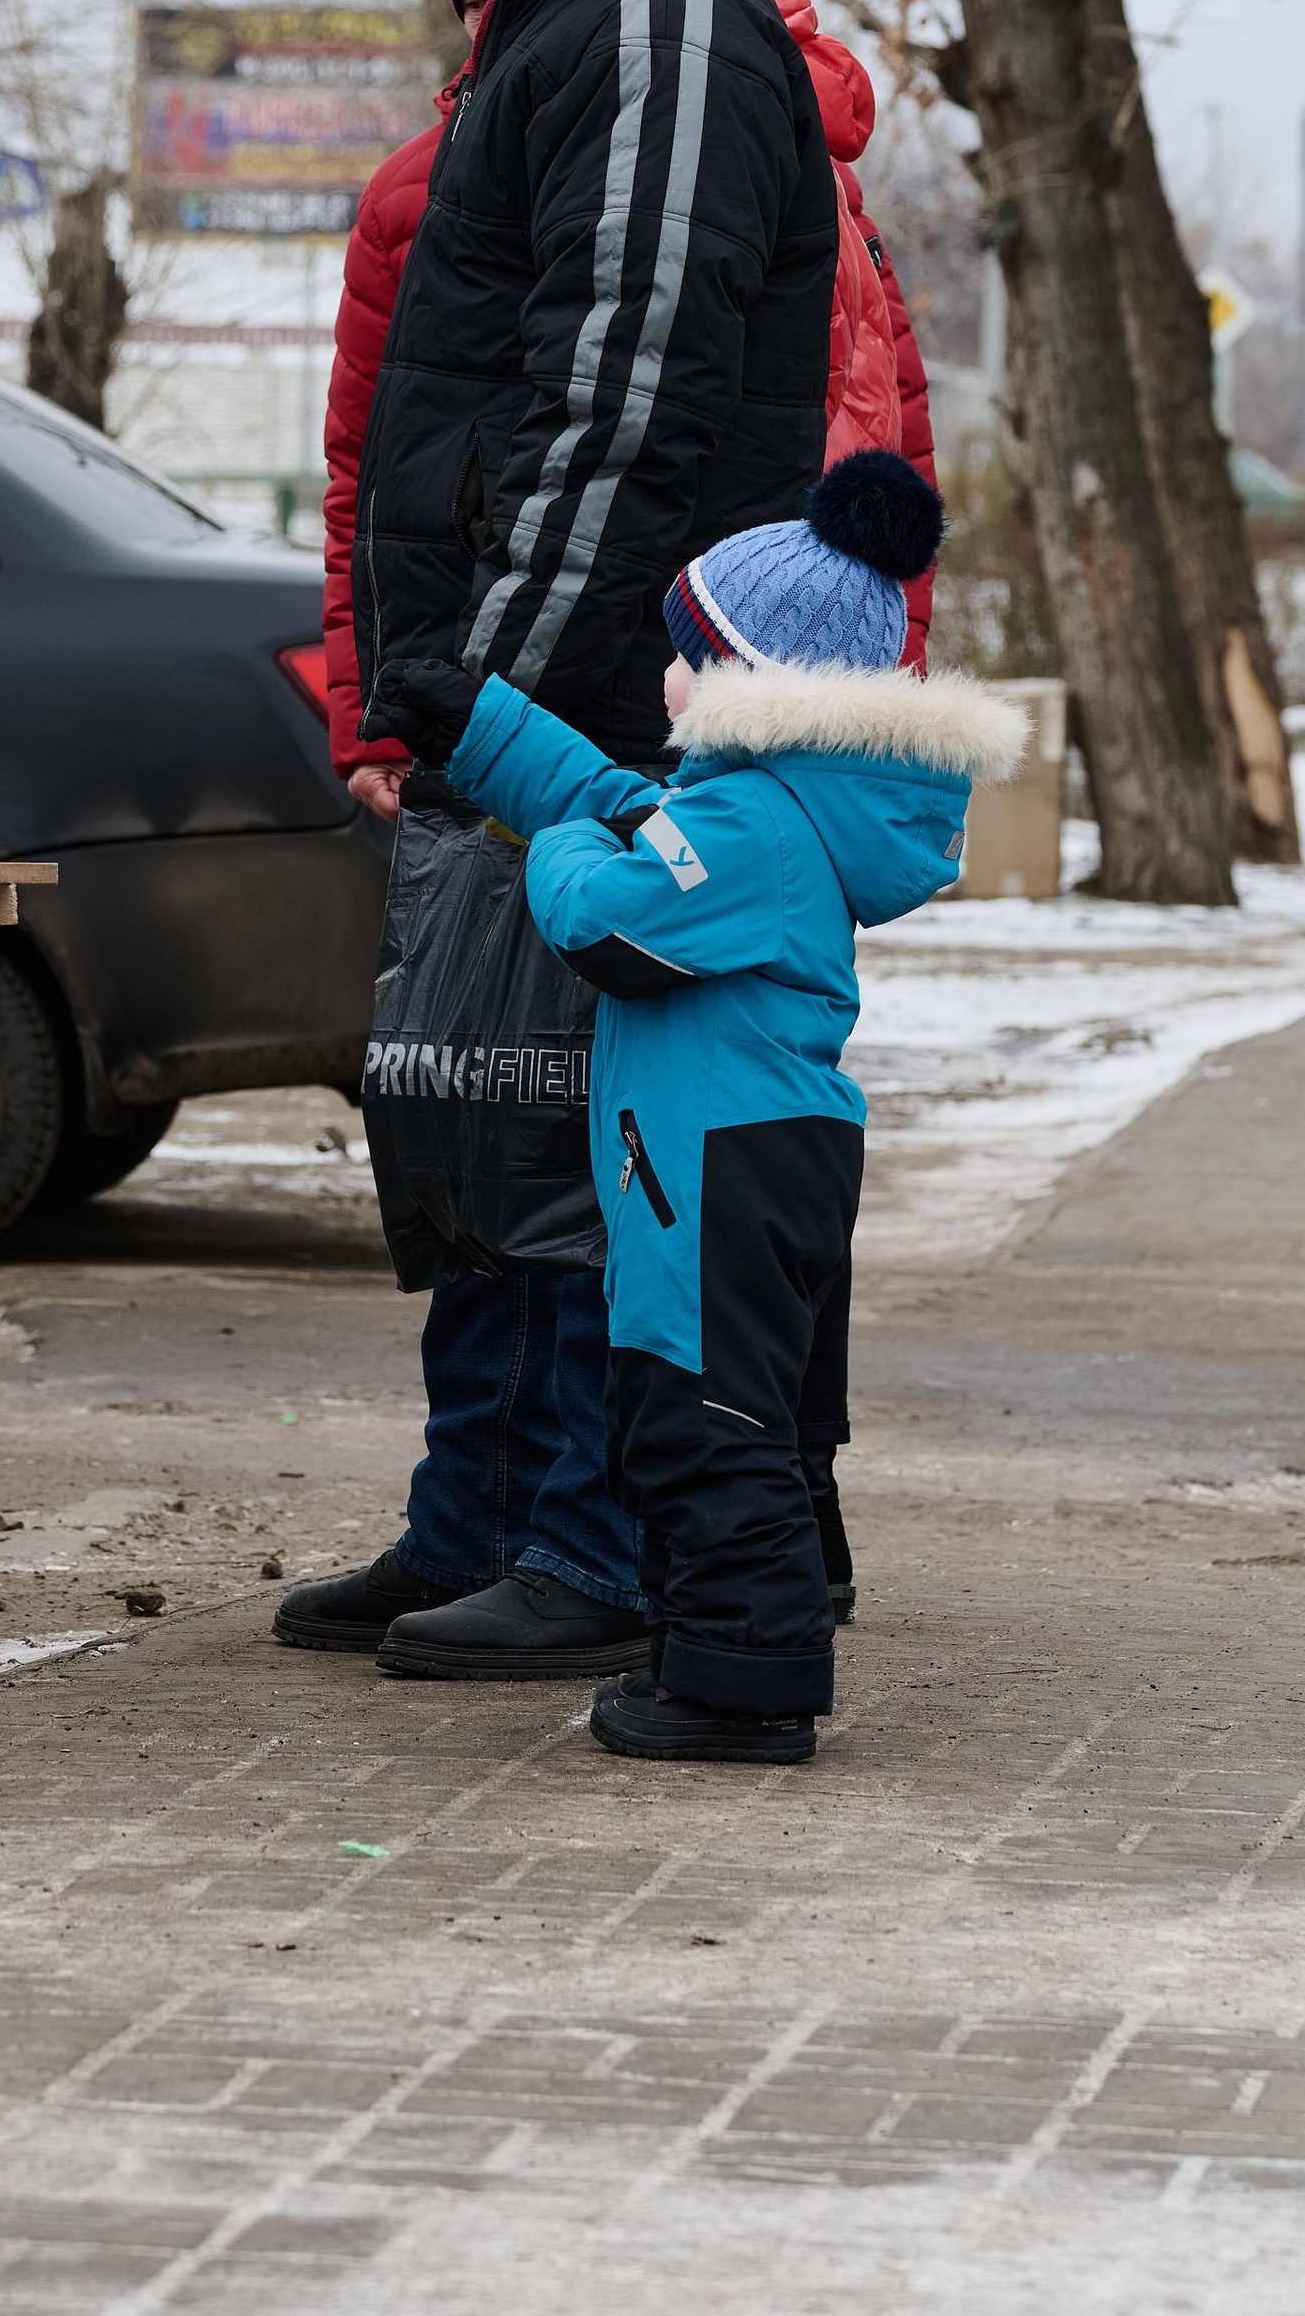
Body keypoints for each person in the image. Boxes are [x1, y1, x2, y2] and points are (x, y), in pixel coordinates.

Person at [279, 0, 834, 1684]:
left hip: (601, 704)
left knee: (585, 1141)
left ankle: (595, 1544)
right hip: (523, 684)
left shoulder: (659, 7)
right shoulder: (559, 0)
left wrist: (488, 699)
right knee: (477, 1113)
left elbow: (623, 392)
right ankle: (477, 1515)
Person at [436, 452, 1018, 1761]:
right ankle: (734, 1638)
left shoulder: (747, 824)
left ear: (759, 688)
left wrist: (569, 841)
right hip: (771, 1149)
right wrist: (472, 726)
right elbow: (638, 812)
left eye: (688, 658)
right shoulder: (777, 812)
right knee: (756, 1415)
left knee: (701, 1417)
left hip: (716, 1159)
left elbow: (602, 915)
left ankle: (743, 1688)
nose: (666, 680)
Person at [678, 0, 939, 666]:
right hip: (811, 608)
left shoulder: (726, 143)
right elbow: (897, 416)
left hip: (740, 612)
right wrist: (900, 640)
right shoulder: (825, 165)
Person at [316, 0, 503, 789]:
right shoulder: (404, 195)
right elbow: (362, 473)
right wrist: (375, 723)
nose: (491, 19)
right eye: (475, 0)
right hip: (453, 702)